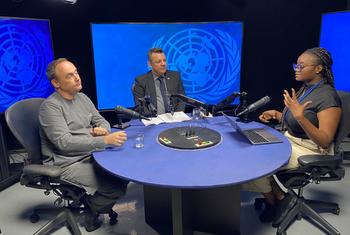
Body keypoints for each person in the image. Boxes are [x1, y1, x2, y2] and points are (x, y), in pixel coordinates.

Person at [242, 47, 342, 223]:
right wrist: (277, 114)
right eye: (296, 65)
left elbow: (325, 141)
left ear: (318, 68)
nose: (297, 69)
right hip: (292, 140)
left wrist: (299, 116)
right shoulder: (306, 88)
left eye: (301, 66)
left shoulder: (328, 97)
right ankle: (280, 198)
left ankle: (275, 204)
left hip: (312, 149)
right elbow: (298, 121)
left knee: (257, 162)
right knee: (250, 150)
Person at [39, 58, 129, 232]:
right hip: (66, 162)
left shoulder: (82, 98)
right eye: (70, 75)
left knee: (123, 172)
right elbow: (63, 143)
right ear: (56, 83)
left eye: (76, 72)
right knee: (115, 186)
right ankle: (90, 208)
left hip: (89, 152)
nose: (77, 78)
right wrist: (102, 140)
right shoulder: (50, 107)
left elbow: (101, 121)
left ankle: (91, 203)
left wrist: (102, 129)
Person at [133, 47, 186, 117]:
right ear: (150, 64)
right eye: (159, 61)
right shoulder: (141, 80)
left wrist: (176, 116)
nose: (163, 64)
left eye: (164, 60)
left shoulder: (175, 76)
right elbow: (139, 107)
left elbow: (182, 100)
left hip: (175, 119)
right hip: (153, 121)